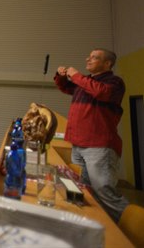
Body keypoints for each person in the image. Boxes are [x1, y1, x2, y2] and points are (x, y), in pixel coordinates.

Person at [55, 49, 129, 222]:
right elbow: (66, 87)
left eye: (94, 57)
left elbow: (100, 92)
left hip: (99, 146)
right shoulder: (86, 82)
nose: (88, 59)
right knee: (85, 189)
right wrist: (61, 76)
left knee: (104, 192)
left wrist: (76, 75)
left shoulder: (114, 82)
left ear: (107, 63)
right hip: (78, 143)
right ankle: (96, 222)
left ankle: (130, 228)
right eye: (88, 56)